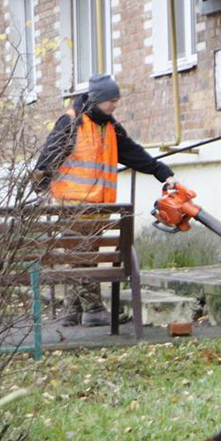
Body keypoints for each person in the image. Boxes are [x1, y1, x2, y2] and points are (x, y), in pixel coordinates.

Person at [32, 74, 174, 326]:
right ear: (96, 100)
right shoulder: (71, 123)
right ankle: (94, 310)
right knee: (84, 256)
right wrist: (40, 186)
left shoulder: (110, 127)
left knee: (82, 256)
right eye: (110, 101)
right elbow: (48, 157)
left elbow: (133, 153)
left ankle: (72, 311)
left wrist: (161, 172)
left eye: (117, 100)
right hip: (72, 204)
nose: (114, 105)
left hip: (99, 206)